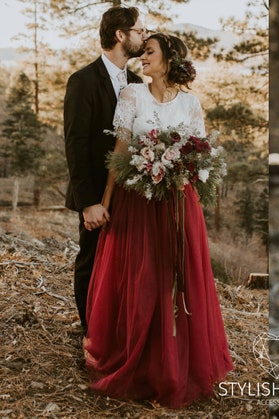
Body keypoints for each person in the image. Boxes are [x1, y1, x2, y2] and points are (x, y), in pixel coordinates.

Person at [82, 33, 233, 408]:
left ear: (168, 60)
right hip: (138, 204)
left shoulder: (192, 104)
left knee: (176, 276)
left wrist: (180, 169)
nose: (142, 58)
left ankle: (177, 362)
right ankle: (139, 359)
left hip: (180, 204)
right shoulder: (132, 96)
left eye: (149, 53)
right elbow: (119, 153)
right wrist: (103, 204)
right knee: (142, 278)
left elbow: (201, 156)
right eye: (143, 51)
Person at [64, 6, 147, 334]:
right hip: (96, 195)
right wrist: (89, 202)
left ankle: (115, 332)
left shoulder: (138, 83)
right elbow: (75, 145)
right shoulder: (82, 81)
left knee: (123, 265)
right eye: (139, 30)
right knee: (91, 262)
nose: (143, 35)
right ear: (120, 34)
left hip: (131, 195)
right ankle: (90, 334)